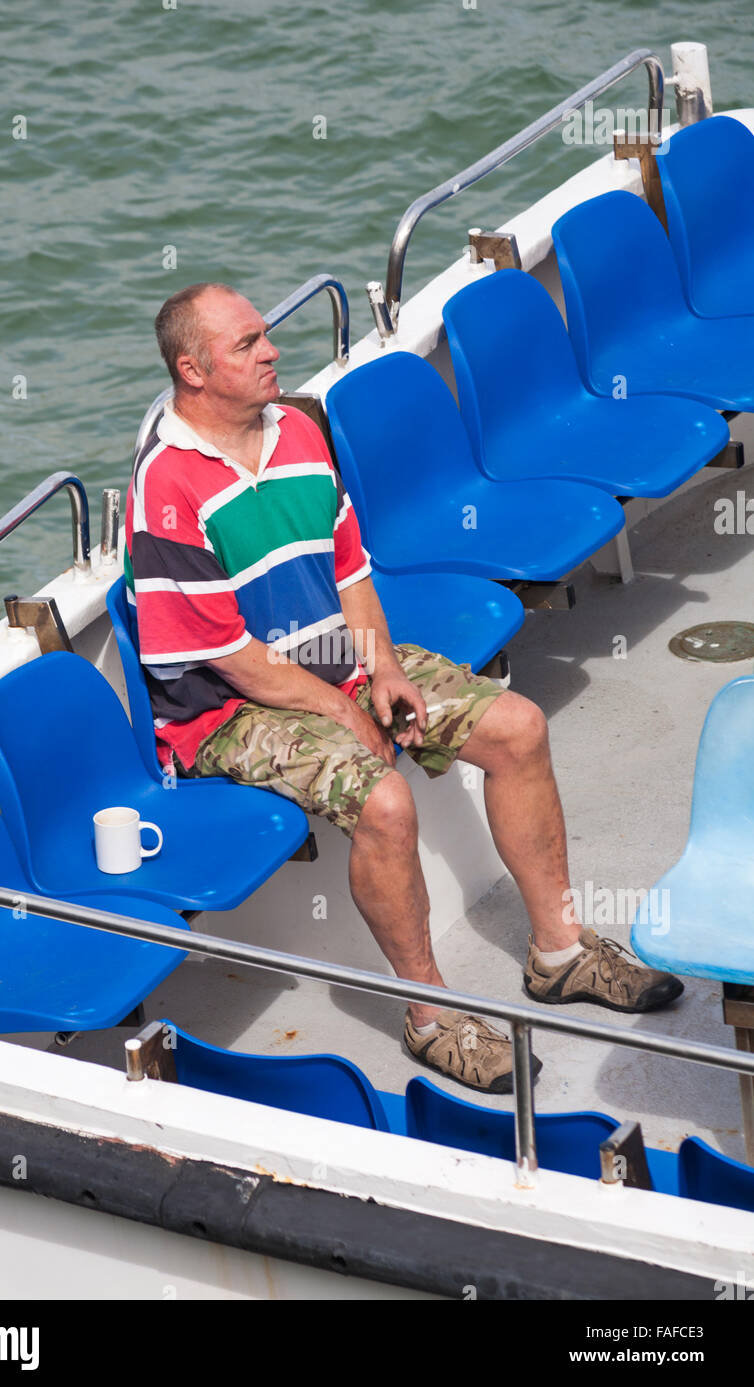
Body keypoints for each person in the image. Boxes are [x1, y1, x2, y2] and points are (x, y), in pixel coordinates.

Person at [125, 281, 684, 1095]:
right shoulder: (167, 484)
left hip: (335, 664)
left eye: (265, 337)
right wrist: (340, 706)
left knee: (518, 727)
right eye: (247, 344)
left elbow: (351, 568)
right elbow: (231, 658)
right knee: (384, 803)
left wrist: (380, 667)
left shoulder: (298, 431)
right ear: (194, 369)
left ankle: (560, 954)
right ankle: (430, 1018)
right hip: (231, 710)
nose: (272, 350)